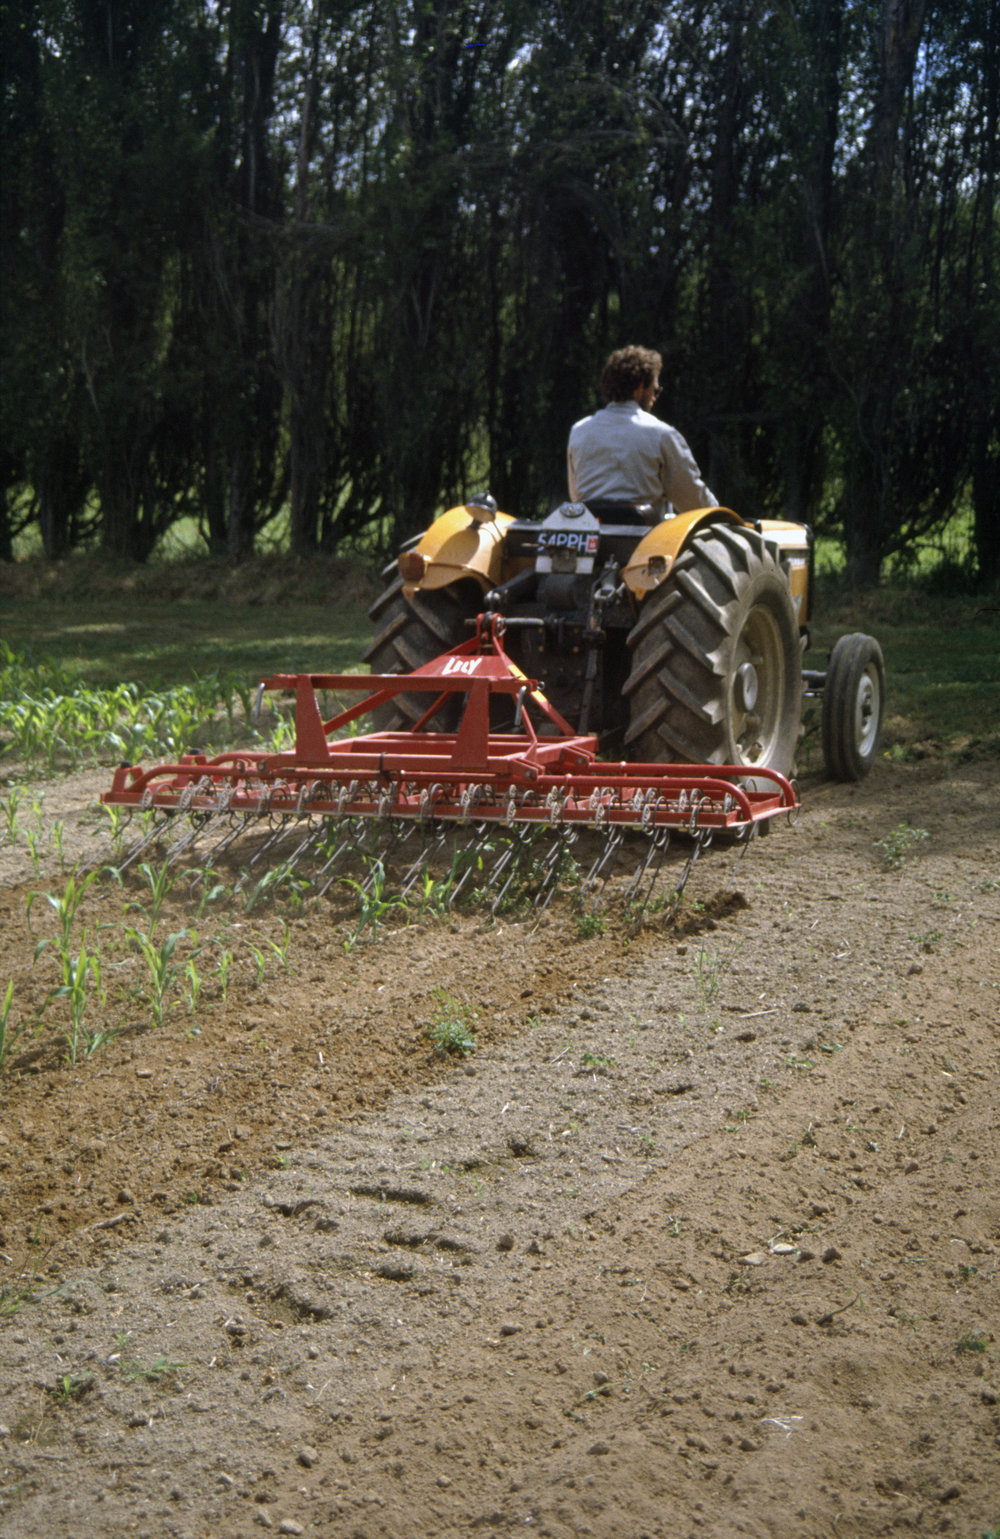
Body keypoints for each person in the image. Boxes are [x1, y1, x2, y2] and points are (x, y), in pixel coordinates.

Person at [567, 345, 716, 521]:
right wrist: (724, 518)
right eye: (655, 390)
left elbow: (576, 496)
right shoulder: (661, 434)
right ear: (640, 387)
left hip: (592, 537)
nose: (654, 398)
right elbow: (693, 501)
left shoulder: (579, 431)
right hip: (646, 541)